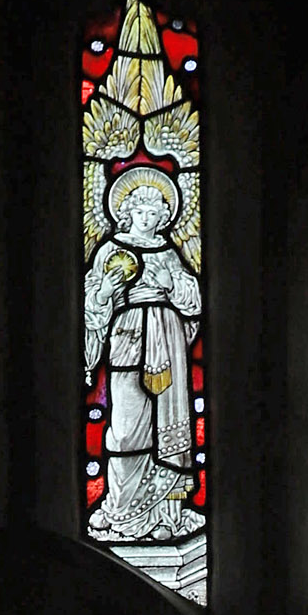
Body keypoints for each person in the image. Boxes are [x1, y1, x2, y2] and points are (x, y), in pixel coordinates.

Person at [83, 165, 203, 547]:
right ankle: (120, 506)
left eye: (156, 213)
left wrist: (172, 285)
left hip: (167, 339)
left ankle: (166, 513)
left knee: (169, 424)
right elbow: (92, 307)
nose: (148, 219)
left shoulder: (168, 253)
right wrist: (105, 290)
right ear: (127, 211)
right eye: (142, 211)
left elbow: (192, 300)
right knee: (126, 426)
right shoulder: (110, 250)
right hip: (127, 335)